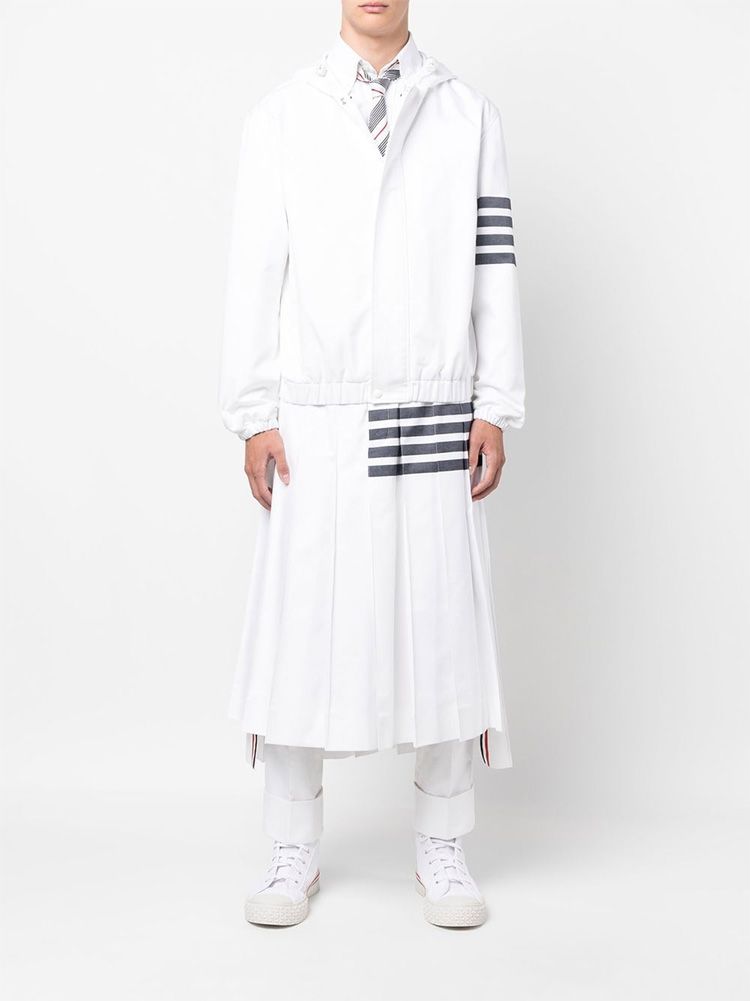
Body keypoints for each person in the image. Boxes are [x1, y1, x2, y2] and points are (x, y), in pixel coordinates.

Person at [219, 0, 524, 928]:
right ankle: (292, 847)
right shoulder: (281, 116)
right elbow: (253, 270)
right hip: (318, 416)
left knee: (441, 628)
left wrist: (495, 401)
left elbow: (494, 265)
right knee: (302, 632)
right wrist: (254, 411)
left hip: (434, 409)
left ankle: (443, 843)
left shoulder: (467, 115)